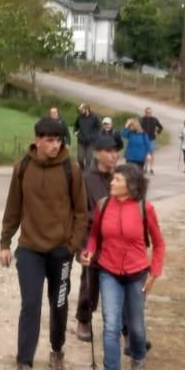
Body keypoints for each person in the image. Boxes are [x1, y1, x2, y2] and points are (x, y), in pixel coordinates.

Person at [0, 116, 89, 370]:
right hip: (29, 250)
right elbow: (13, 207)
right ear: (37, 140)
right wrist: (5, 242)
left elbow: (81, 212)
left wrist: (72, 246)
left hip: (60, 252)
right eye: (49, 140)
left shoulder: (71, 169)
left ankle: (57, 351)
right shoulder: (23, 167)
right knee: (30, 305)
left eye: (58, 140)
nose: (54, 145)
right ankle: (24, 366)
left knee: (59, 305)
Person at [79, 164, 165, 370]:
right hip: (109, 271)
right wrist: (90, 251)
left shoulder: (144, 209)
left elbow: (159, 244)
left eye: (117, 180)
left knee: (136, 327)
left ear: (131, 185)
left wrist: (154, 272)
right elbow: (95, 234)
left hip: (137, 273)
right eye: (113, 179)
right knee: (111, 325)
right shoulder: (103, 205)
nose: (112, 183)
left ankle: (138, 361)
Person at [74, 132, 121, 343]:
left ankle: (127, 329)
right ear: (97, 154)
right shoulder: (85, 179)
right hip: (91, 238)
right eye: (108, 151)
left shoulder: (120, 178)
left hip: (117, 240)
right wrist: (81, 245)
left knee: (122, 284)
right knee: (90, 283)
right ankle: (84, 319)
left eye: (116, 151)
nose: (114, 155)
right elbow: (79, 213)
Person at [73, 103, 102, 171]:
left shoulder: (94, 117)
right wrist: (75, 132)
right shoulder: (79, 117)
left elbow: (99, 129)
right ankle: (82, 170)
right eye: (80, 110)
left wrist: (94, 136)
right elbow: (76, 127)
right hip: (81, 141)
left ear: (86, 109)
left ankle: (86, 174)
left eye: (81, 109)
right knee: (80, 159)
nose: (80, 111)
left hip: (91, 142)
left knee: (88, 159)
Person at [139, 106, 164, 174]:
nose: (148, 114)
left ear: (151, 112)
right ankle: (144, 167)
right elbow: (138, 128)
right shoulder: (142, 119)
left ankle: (151, 168)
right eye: (147, 112)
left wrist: (157, 133)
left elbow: (160, 127)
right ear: (145, 112)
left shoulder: (154, 119)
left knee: (151, 153)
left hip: (151, 138)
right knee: (144, 153)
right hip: (143, 138)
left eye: (149, 112)